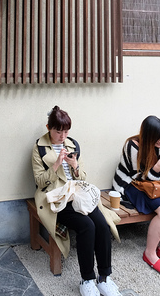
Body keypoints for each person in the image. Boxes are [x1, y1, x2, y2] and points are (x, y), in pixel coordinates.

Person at [32, 106, 121, 296]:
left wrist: (76, 167)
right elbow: (39, 181)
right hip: (57, 199)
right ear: (49, 128)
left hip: (78, 195)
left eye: (66, 131)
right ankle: (87, 279)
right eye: (58, 131)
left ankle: (105, 277)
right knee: (87, 226)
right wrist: (56, 165)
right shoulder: (39, 148)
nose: (62, 135)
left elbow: (84, 178)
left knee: (103, 225)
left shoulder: (73, 145)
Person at [112, 116, 160, 275]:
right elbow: (138, 178)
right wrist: (156, 168)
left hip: (155, 185)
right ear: (148, 135)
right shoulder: (132, 146)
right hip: (131, 184)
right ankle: (150, 253)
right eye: (159, 137)